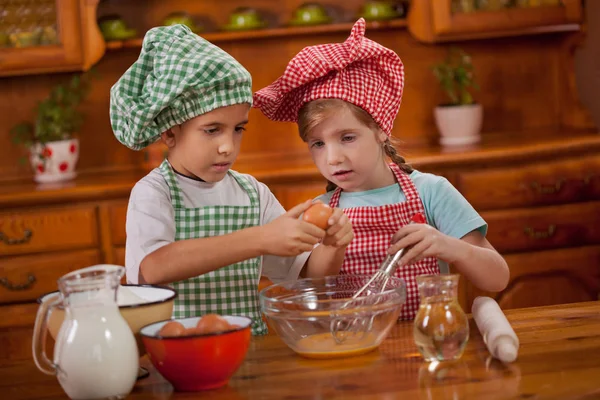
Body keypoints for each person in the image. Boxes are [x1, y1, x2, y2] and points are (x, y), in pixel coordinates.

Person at [253, 19, 509, 320]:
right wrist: (330, 247)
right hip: (355, 349)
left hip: (423, 344)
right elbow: (314, 292)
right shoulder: (321, 212)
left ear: (380, 130)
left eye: (347, 138)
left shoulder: (431, 192)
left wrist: (448, 246)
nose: (333, 158)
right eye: (318, 144)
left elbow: (497, 278)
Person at [109, 25, 353, 335]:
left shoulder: (252, 194)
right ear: (170, 133)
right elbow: (153, 268)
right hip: (180, 354)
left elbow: (305, 278)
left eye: (238, 129)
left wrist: (331, 247)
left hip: (248, 352)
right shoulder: (154, 193)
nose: (228, 146)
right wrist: (261, 238)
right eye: (212, 130)